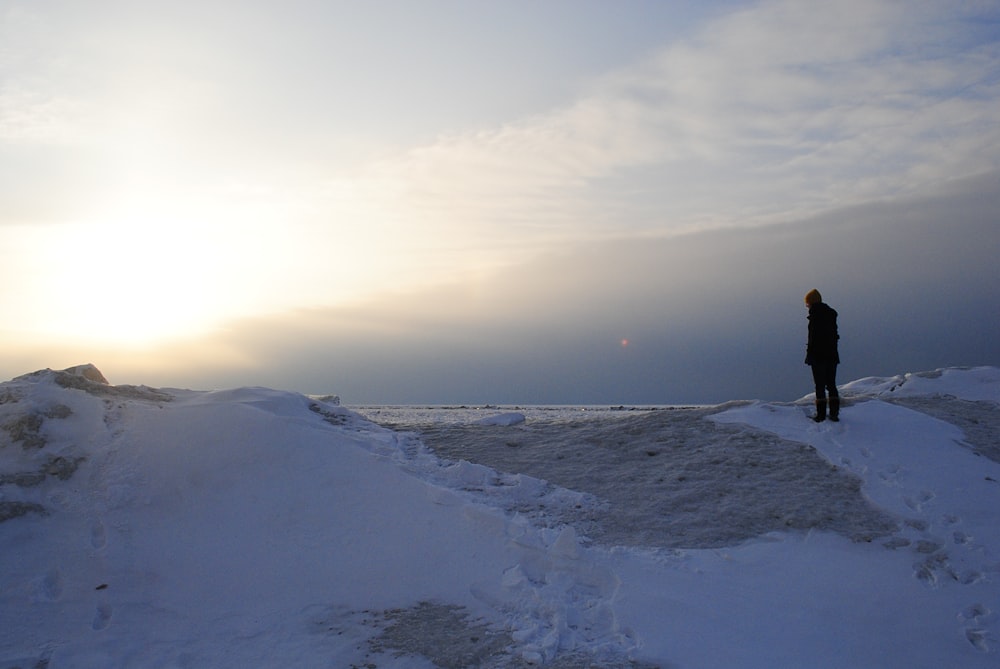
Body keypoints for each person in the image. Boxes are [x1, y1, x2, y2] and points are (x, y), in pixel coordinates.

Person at [804, 289, 840, 422]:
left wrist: (809, 355)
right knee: (831, 384)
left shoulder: (815, 317)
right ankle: (834, 414)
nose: (806, 306)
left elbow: (813, 339)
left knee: (819, 385)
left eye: (807, 303)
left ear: (811, 302)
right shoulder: (831, 315)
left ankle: (821, 415)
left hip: (818, 356)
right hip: (832, 354)